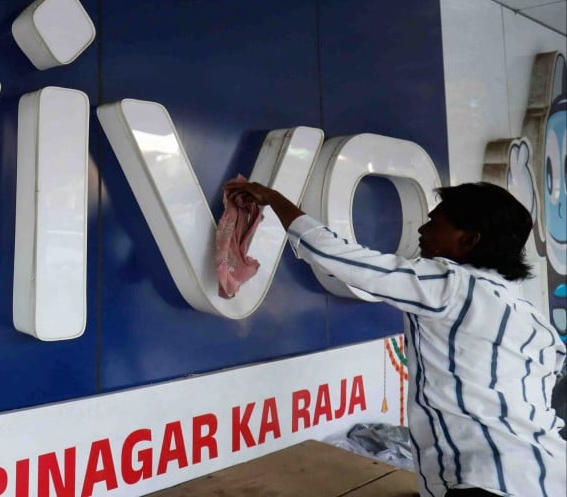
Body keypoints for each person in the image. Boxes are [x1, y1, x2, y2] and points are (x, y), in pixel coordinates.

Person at [223, 180, 566, 497]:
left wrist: (273, 198)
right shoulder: (531, 319)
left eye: (435, 223)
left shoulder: (450, 284)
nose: (421, 229)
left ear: (468, 239)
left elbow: (337, 257)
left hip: (489, 480)